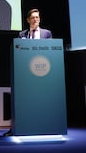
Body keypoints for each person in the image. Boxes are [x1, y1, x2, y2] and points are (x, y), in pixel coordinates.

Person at [3, 8, 52, 137]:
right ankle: (17, 127)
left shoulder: (47, 34)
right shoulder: (22, 35)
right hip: (26, 74)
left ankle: (43, 126)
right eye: (33, 17)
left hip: (42, 71)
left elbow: (51, 52)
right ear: (28, 20)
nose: (36, 19)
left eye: (37, 17)